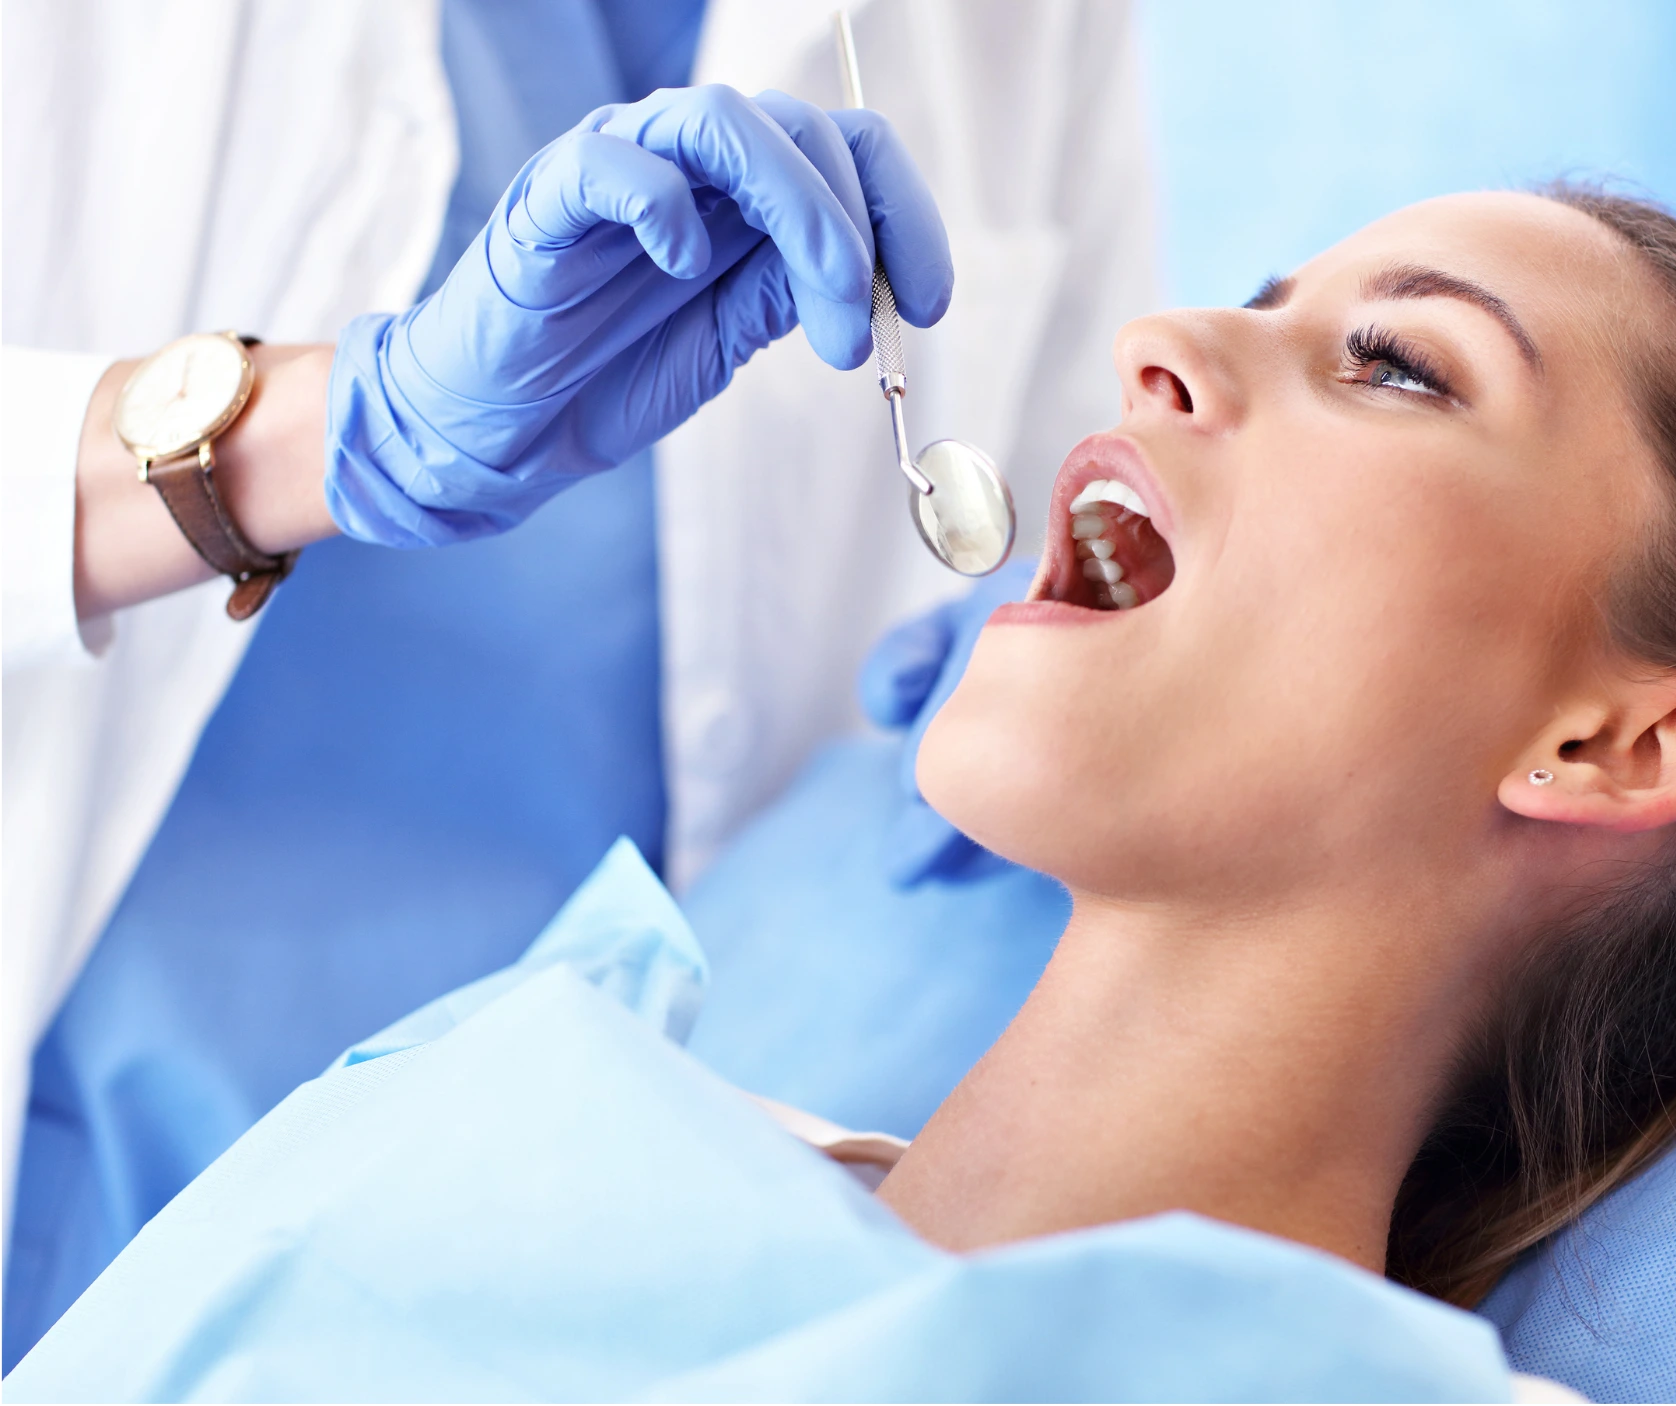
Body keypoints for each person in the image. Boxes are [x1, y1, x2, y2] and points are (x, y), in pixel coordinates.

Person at [10, 185, 1676, 1401]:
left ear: (1613, 742)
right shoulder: (541, 1073)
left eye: (1395, 365)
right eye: (1253, 300)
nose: (1152, 342)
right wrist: (266, 447)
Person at [1, 0, 1157, 1362]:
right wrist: (315, 437)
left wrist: (1033, 631)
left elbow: (1071, 489)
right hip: (86, 1220)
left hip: (586, 1296)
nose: (1188, 358)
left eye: (1388, 367)